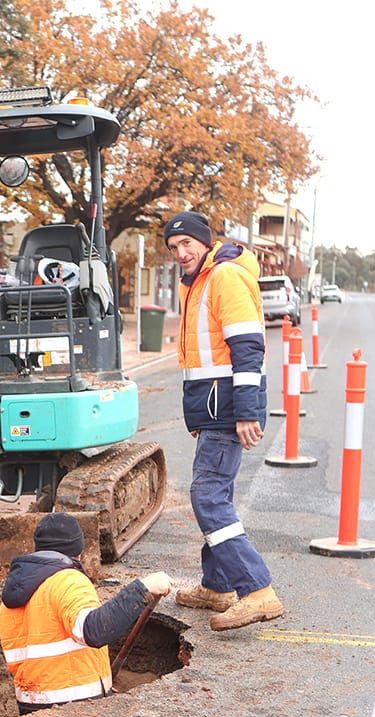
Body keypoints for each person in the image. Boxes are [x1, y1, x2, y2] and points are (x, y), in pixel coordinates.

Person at [163, 209, 285, 631]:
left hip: (227, 408)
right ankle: (216, 587)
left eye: (187, 244)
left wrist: (247, 411)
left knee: (207, 496)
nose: (181, 252)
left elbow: (248, 348)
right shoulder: (197, 282)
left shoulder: (224, 278)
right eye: (174, 247)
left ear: (204, 241)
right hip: (213, 408)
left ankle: (257, 591)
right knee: (218, 495)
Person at [0, 512, 173, 714]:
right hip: (74, 706)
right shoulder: (68, 580)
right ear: (78, 552)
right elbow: (94, 630)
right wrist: (142, 588)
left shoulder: (11, 597)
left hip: (30, 706)